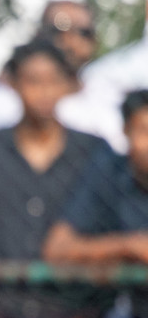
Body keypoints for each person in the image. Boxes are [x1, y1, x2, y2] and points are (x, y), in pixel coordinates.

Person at [0, 40, 113, 318]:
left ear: (69, 85)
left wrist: (92, 315)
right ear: (12, 84)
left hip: (70, 315)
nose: (44, 92)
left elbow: (106, 227)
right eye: (33, 81)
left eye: (54, 81)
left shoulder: (94, 152)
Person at [0, 0, 126, 153]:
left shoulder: (108, 101)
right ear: (39, 32)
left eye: (84, 32)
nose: (71, 40)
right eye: (60, 27)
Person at [45, 89, 148, 265]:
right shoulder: (110, 173)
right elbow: (57, 249)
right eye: (144, 131)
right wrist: (129, 246)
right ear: (126, 131)